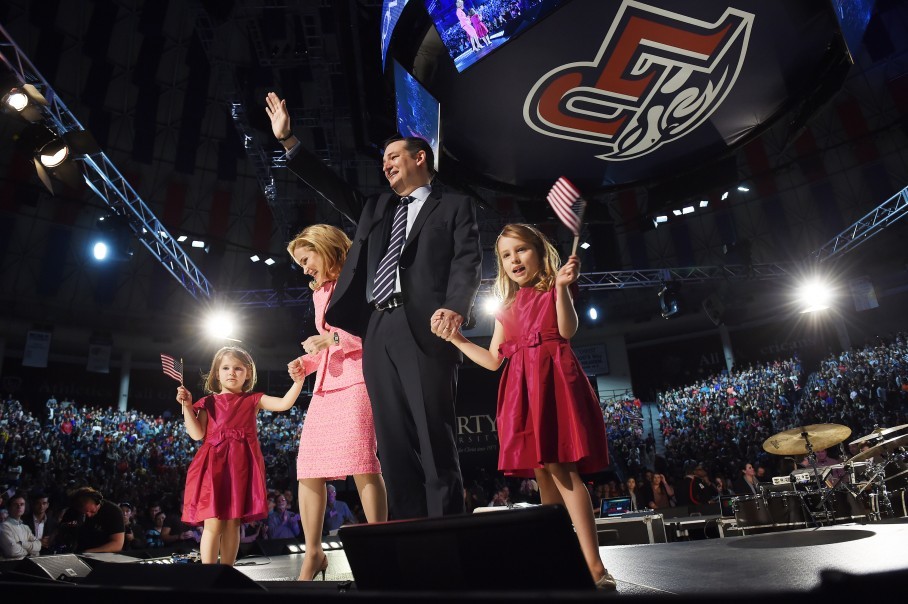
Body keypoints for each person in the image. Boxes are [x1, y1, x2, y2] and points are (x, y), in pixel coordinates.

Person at [266, 93, 482, 521]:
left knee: (431, 434)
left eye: (393, 156)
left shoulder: (454, 206)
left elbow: (467, 260)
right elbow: (330, 185)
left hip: (425, 326)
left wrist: (456, 307)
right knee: (393, 443)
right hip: (377, 328)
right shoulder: (376, 208)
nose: (385, 164)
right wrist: (289, 141)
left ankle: (449, 533)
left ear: (421, 157)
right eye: (382, 159)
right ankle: (409, 537)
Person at [440, 223, 616, 590]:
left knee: (563, 471)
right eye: (505, 255)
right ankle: (560, 559)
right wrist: (456, 338)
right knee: (543, 477)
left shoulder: (555, 287)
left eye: (520, 250)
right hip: (520, 391)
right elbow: (491, 360)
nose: (513, 259)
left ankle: (595, 565)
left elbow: (567, 330)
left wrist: (564, 288)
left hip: (553, 382)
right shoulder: (505, 305)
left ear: (538, 250)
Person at [286, 224, 388, 581]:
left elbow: (372, 332)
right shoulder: (318, 293)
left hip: (359, 381)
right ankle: (313, 553)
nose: (304, 269)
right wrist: (308, 362)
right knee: (308, 469)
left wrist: (326, 339)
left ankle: (380, 549)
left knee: (363, 463)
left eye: (306, 259)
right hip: (326, 389)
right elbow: (327, 343)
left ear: (325, 248)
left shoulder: (360, 279)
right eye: (299, 263)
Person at [177, 346, 304, 565]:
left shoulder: (253, 399)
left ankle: (227, 571)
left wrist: (299, 381)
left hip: (240, 468)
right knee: (213, 523)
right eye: (225, 368)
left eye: (238, 368)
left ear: (248, 373)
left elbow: (283, 404)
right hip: (212, 467)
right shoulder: (208, 402)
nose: (231, 372)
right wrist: (187, 407)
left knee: (233, 522)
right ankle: (208, 573)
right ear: (217, 373)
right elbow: (197, 434)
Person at [59, 487, 125, 553]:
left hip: (104, 557)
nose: (89, 515)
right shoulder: (73, 510)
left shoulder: (113, 511)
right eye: (84, 512)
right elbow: (60, 528)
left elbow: (117, 544)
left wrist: (87, 552)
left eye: (92, 511)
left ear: (98, 503)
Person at [0, 492, 41, 559]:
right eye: (15, 504)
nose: (19, 507)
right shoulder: (4, 526)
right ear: (9, 507)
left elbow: (38, 545)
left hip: (28, 565)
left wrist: (22, 543)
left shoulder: (25, 527)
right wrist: (29, 552)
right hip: (12, 567)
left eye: (22, 504)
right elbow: (12, 551)